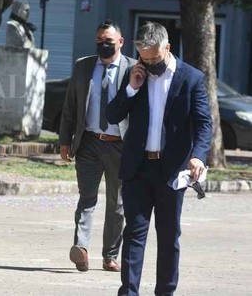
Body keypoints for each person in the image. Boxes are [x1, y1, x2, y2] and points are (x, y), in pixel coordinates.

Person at [107, 22, 212, 296]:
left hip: (171, 171)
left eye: (154, 58)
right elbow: (112, 115)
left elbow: (204, 124)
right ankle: (129, 292)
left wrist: (198, 156)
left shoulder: (191, 79)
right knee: (134, 233)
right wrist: (131, 88)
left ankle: (165, 292)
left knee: (168, 237)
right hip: (138, 168)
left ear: (168, 48)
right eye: (144, 58)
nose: (150, 64)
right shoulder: (134, 74)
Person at [59, 19, 135, 273]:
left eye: (109, 41)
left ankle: (110, 255)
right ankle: (80, 249)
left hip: (120, 145)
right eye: (99, 40)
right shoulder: (83, 66)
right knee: (86, 198)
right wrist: (64, 140)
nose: (103, 45)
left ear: (120, 42)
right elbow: (70, 106)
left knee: (117, 203)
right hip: (89, 143)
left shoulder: (134, 68)